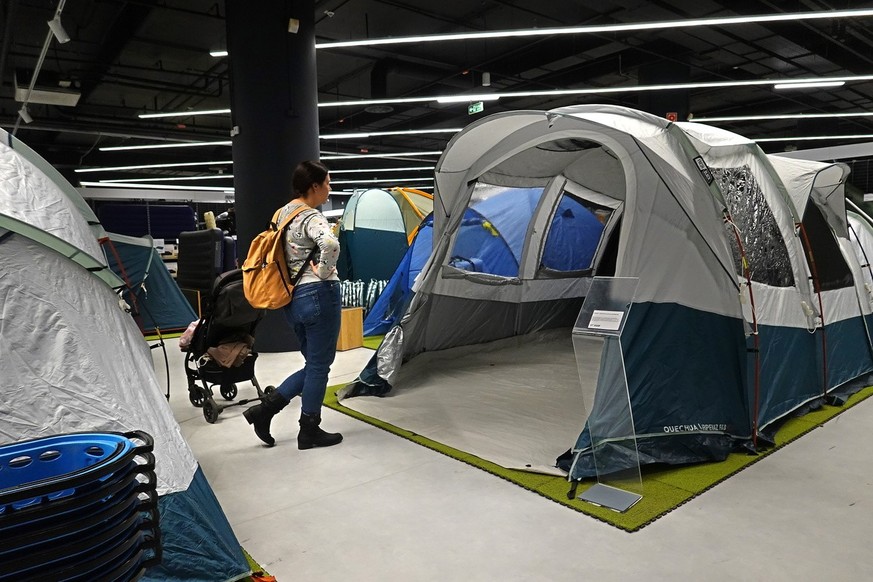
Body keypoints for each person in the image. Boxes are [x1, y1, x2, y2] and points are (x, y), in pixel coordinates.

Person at [243, 160, 343, 449]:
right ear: (314, 186)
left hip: (293, 300)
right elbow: (331, 245)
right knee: (319, 366)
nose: (329, 189)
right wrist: (324, 271)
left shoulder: (282, 213)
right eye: (327, 184)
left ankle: (265, 410)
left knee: (314, 364)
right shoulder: (312, 216)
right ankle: (309, 429)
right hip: (319, 294)